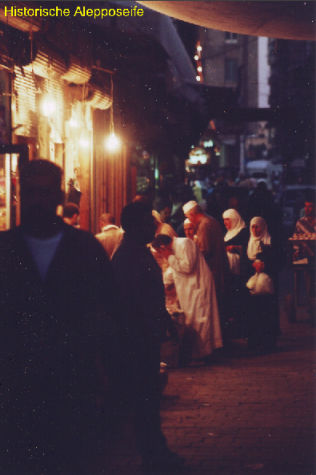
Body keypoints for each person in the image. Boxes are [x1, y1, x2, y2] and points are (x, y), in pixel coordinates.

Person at [0, 159, 119, 474]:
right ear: (21, 195)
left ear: (57, 196)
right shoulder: (6, 249)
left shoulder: (84, 248)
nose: (38, 200)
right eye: (32, 192)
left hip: (70, 381)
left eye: (45, 192)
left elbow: (107, 312)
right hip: (16, 385)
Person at [111, 202, 183, 473]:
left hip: (146, 337)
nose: (152, 228)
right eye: (147, 223)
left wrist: (164, 319)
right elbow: (129, 303)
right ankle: (153, 455)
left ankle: (157, 451)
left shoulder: (137, 252)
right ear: (134, 225)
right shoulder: (127, 257)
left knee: (148, 400)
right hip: (137, 341)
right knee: (144, 400)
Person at [152, 234, 223, 365]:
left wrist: (169, 257)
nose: (162, 255)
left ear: (163, 247)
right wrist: (165, 282)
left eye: (160, 252)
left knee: (200, 319)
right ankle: (196, 353)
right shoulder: (173, 250)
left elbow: (187, 267)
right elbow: (174, 270)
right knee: (192, 319)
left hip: (198, 287)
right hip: (188, 289)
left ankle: (204, 353)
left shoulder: (184, 243)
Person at [183, 200, 228, 304]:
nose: (189, 219)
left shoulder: (204, 225)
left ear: (192, 214)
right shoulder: (210, 220)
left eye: (188, 217)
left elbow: (204, 251)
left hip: (213, 269)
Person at [222, 209, 249, 340]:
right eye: (224, 220)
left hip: (240, 272)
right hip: (230, 271)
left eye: (228, 219)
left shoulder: (243, 232)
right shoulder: (228, 233)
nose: (226, 223)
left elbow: (248, 249)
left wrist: (236, 248)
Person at [246, 253, 277, 352]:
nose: (255, 266)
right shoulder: (254, 277)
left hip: (264, 302)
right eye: (255, 264)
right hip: (255, 302)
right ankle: (256, 342)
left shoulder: (266, 278)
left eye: (258, 264)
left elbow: (266, 290)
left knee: (265, 322)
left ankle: (266, 343)